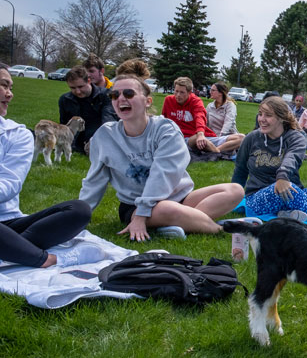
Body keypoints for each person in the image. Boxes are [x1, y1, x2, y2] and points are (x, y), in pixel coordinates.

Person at [80, 74, 244, 241]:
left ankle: (183, 223)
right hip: (137, 206)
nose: (121, 98)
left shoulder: (165, 129)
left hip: (180, 198)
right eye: (114, 95)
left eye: (129, 94)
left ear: (148, 101)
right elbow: (94, 180)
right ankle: (223, 229)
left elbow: (163, 172)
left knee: (235, 190)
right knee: (168, 209)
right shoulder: (105, 135)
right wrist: (79, 216)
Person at [0, 62, 99, 268]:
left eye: (10, 87)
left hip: (8, 223)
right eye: (3, 86)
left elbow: (10, 185)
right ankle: (37, 256)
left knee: (79, 210)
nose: (9, 94)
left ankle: (17, 248)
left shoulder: (16, 135)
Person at [232, 96, 307, 220]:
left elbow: (292, 158)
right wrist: (232, 196)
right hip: (258, 199)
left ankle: (288, 213)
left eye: (268, 115)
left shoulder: (296, 138)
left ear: (281, 118)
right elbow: (240, 169)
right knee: (281, 189)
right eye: (260, 114)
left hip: (290, 190)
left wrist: (282, 176)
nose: (262, 119)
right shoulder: (251, 138)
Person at [163, 76, 243, 154]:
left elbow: (200, 118)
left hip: (211, 135)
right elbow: (164, 121)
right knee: (198, 139)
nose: (178, 95)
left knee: (242, 138)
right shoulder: (210, 106)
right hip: (192, 138)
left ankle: (216, 150)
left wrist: (202, 134)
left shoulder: (229, 105)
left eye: (182, 92)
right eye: (176, 91)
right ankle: (217, 151)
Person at [58, 65, 116, 154]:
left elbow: (108, 121)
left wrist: (97, 140)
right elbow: (64, 125)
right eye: (72, 88)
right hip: (75, 141)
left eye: (81, 87)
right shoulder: (65, 100)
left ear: (89, 81)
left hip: (98, 137)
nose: (77, 91)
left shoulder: (105, 95)